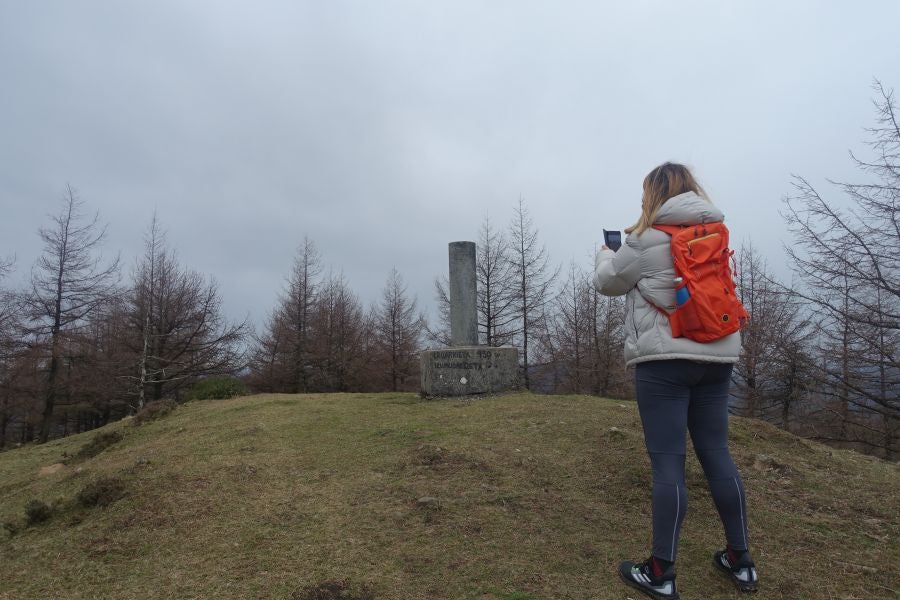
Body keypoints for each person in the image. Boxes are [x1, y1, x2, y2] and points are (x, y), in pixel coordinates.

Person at [593, 162, 759, 599]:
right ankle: (740, 561)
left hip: (665, 362)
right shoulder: (716, 233)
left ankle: (661, 571)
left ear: (654, 195)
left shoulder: (646, 239)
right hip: (717, 356)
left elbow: (608, 283)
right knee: (717, 455)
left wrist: (605, 253)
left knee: (668, 463)